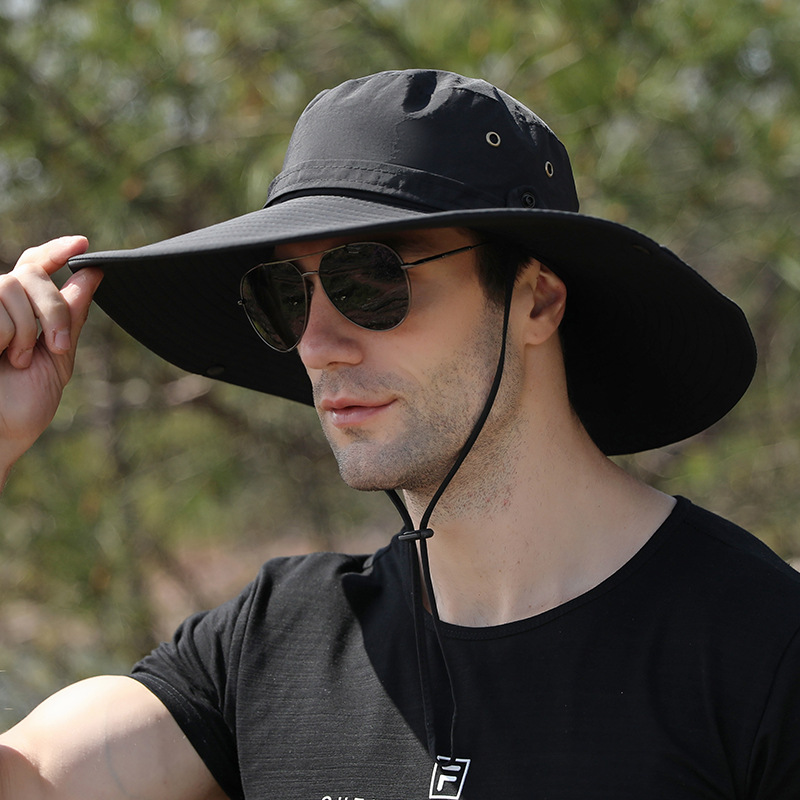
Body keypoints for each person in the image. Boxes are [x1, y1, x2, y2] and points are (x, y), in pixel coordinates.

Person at [0, 69, 798, 800]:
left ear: (537, 302)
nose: (319, 345)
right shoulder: (273, 642)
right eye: (285, 295)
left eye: (370, 280)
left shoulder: (763, 649)